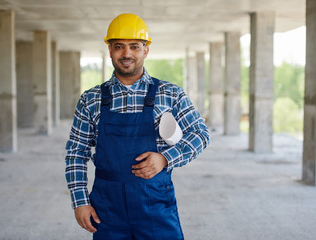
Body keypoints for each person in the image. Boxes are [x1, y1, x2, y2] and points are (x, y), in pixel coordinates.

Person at [65, 13, 210, 240]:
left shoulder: (170, 94)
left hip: (155, 204)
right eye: (118, 46)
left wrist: (165, 158)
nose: (126, 54)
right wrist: (80, 201)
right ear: (110, 50)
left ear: (146, 50)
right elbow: (76, 152)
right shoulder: (91, 99)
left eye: (134, 46)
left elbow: (200, 134)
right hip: (108, 209)